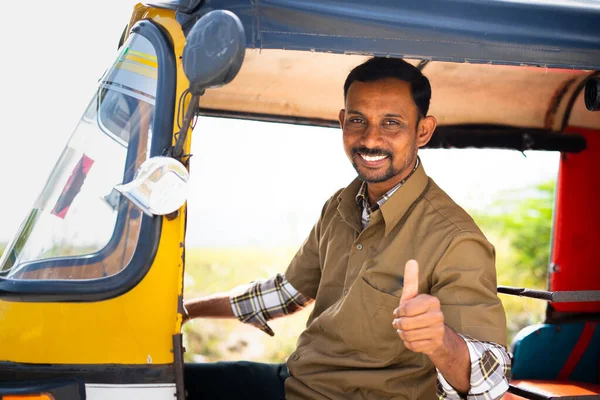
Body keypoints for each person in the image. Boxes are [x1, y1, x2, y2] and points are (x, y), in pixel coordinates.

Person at [183, 57, 511, 399]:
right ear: (342, 122)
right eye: (358, 120)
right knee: (167, 381)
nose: (370, 139)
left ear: (423, 131)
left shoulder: (454, 238)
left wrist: (440, 340)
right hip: (298, 382)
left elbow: (491, 383)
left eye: (392, 123)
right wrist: (187, 311)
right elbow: (288, 293)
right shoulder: (342, 204)